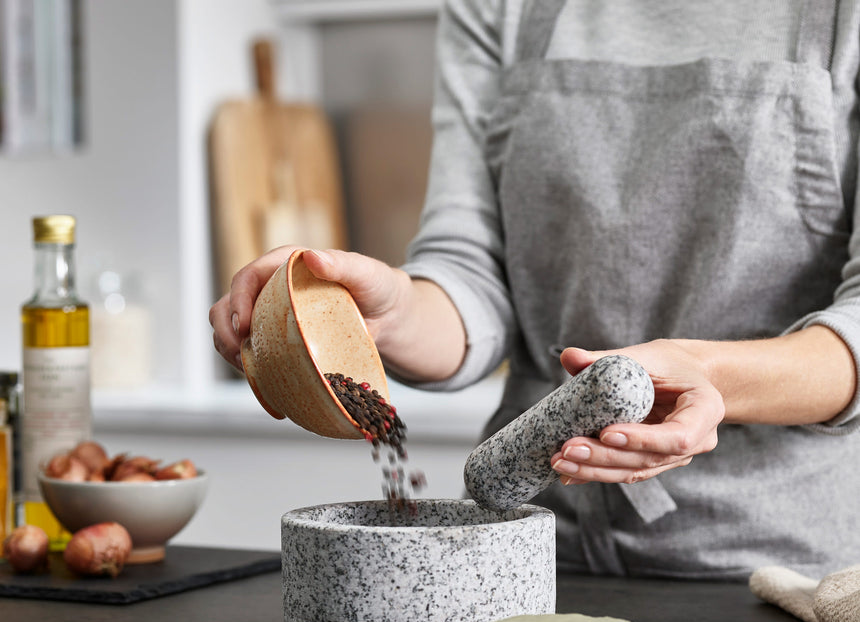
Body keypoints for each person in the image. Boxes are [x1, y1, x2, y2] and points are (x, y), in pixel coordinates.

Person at [211, 0, 860, 581]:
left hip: (783, 571)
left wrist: (710, 374)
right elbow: (471, 271)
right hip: (529, 553)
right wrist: (389, 312)